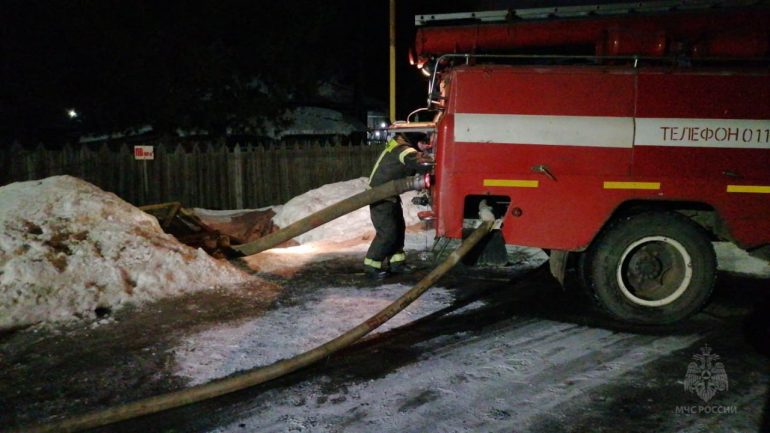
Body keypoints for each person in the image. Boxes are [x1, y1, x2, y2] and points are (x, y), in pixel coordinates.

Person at [364, 132, 433, 279]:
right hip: (380, 195)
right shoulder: (403, 148)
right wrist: (432, 160)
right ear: (416, 141)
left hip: (389, 194)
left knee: (398, 228)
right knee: (388, 232)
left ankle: (397, 263)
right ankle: (371, 266)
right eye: (424, 144)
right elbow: (418, 162)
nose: (425, 147)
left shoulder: (402, 144)